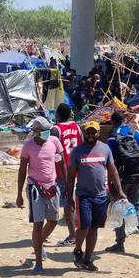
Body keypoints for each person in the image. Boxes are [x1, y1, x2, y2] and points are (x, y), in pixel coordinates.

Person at [15, 116, 68, 274]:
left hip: (52, 187)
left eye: (48, 131)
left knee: (53, 221)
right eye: (44, 131)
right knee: (38, 224)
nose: (47, 133)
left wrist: (67, 186)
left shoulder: (54, 142)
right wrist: (19, 194)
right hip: (35, 189)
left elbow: (61, 163)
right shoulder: (28, 146)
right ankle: (38, 262)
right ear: (36, 131)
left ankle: (37, 243)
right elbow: (22, 170)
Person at [70, 121, 122, 272]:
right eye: (88, 132)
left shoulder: (105, 149)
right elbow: (70, 175)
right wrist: (68, 196)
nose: (91, 135)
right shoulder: (77, 151)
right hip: (83, 195)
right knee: (84, 225)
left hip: (100, 196)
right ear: (84, 133)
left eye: (94, 132)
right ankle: (78, 250)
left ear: (99, 133)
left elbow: (113, 171)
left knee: (94, 228)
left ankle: (87, 259)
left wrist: (119, 191)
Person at [104, 112, 139, 257]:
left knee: (118, 209)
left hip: (121, 179)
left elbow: (110, 164)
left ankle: (120, 243)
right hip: (138, 176)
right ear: (125, 120)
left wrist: (111, 183)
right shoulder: (135, 133)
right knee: (136, 207)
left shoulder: (113, 137)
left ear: (113, 122)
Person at [52, 103, 83, 247]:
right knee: (73, 202)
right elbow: (82, 146)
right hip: (77, 170)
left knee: (67, 205)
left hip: (63, 172)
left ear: (58, 114)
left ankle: (72, 236)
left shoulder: (56, 129)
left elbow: (55, 154)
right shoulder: (76, 127)